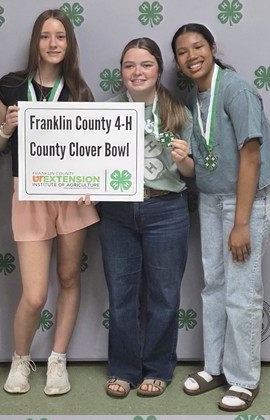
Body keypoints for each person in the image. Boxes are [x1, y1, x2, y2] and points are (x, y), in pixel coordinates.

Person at [171, 23, 270, 412]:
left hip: (243, 205)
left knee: (241, 292)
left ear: (213, 48)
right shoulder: (196, 98)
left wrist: (241, 223)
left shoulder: (236, 90)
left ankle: (244, 379)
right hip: (212, 201)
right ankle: (214, 367)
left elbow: (251, 156)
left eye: (198, 46)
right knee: (214, 286)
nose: (191, 56)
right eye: (182, 52)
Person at [0, 8, 99, 397]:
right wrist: (8, 127)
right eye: (45, 36)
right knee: (34, 293)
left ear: (69, 44)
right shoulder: (10, 86)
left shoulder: (80, 91)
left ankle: (58, 359)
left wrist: (94, 183)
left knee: (69, 278)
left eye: (60, 37)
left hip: (72, 195)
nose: (53, 44)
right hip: (31, 194)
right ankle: (21, 359)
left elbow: (91, 153)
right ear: (35, 41)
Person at [97, 38, 195, 399]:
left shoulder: (178, 112)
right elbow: (92, 163)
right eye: (129, 65)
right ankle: (122, 369)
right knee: (121, 295)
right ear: (121, 71)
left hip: (166, 210)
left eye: (145, 65)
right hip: (118, 212)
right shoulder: (105, 112)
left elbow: (188, 173)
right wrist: (85, 183)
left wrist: (184, 157)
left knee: (164, 295)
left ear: (158, 70)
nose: (137, 72)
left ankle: (157, 368)